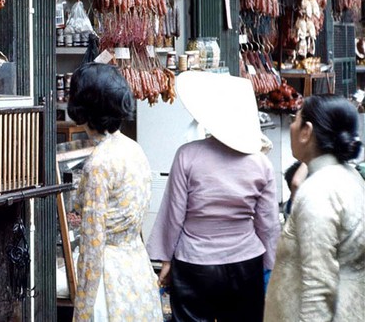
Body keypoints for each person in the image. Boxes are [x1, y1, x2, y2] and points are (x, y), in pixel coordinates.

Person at [147, 71, 280, 322]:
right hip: (245, 262)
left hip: (194, 262)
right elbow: (268, 224)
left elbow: (173, 212)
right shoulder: (261, 163)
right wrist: (270, 267)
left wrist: (166, 258)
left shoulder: (187, 155)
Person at [66, 63, 161, 321]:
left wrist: (82, 308)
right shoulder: (133, 149)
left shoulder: (99, 163)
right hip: (136, 269)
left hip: (108, 280)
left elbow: (92, 242)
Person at [264, 95, 365, 322]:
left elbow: (318, 288)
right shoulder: (349, 177)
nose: (291, 126)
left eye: (295, 119)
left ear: (306, 131)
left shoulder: (319, 192)